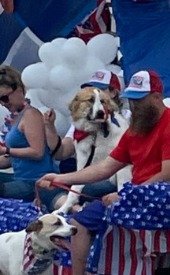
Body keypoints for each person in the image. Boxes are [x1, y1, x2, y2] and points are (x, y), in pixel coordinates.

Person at [38, 70, 170, 275]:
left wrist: (125, 196)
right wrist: (62, 178)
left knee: (114, 216)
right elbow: (105, 167)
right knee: (79, 223)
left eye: (140, 99)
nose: (134, 104)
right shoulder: (136, 128)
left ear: (157, 97)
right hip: (140, 196)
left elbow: (169, 176)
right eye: (132, 98)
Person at [0, 66, 61, 211]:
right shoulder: (17, 118)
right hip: (20, 179)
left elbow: (37, 152)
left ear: (19, 91)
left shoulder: (31, 115)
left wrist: (5, 149)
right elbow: (11, 161)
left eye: (5, 98)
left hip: (34, 182)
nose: (3, 103)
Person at [45, 69, 129, 209]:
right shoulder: (82, 122)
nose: (93, 92)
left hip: (113, 177)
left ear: (113, 93)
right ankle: (76, 209)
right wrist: (50, 127)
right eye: (90, 91)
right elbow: (62, 152)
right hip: (88, 176)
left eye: (99, 89)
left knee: (74, 189)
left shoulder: (126, 117)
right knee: (51, 189)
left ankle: (75, 209)